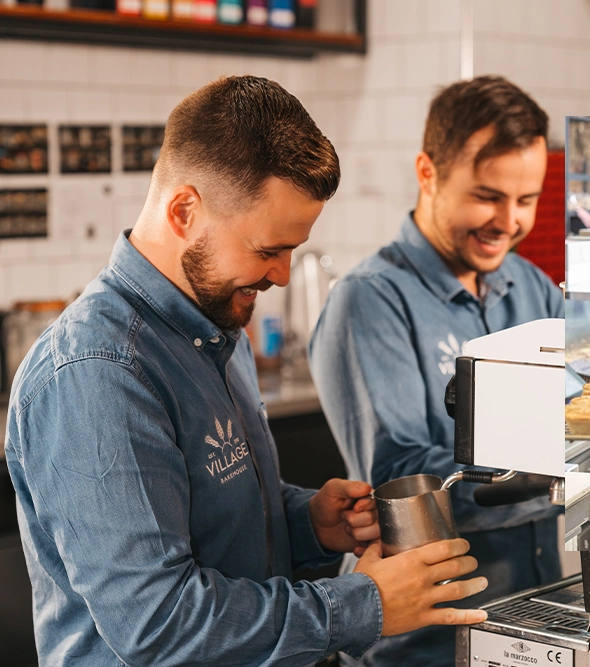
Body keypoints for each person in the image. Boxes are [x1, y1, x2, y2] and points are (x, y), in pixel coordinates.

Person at [3, 76, 489, 667]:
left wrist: (307, 521)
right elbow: (159, 625)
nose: (282, 276)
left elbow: (202, 515)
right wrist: (364, 604)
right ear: (184, 210)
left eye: (292, 249)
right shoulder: (98, 373)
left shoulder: (217, 325)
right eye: (266, 251)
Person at [308, 75, 564, 666]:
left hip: (529, 624)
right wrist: (545, 466)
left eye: (525, 200)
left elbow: (573, 411)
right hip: (421, 647)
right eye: (487, 196)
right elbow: (402, 481)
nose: (509, 221)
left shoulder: (529, 285)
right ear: (428, 172)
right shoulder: (369, 301)